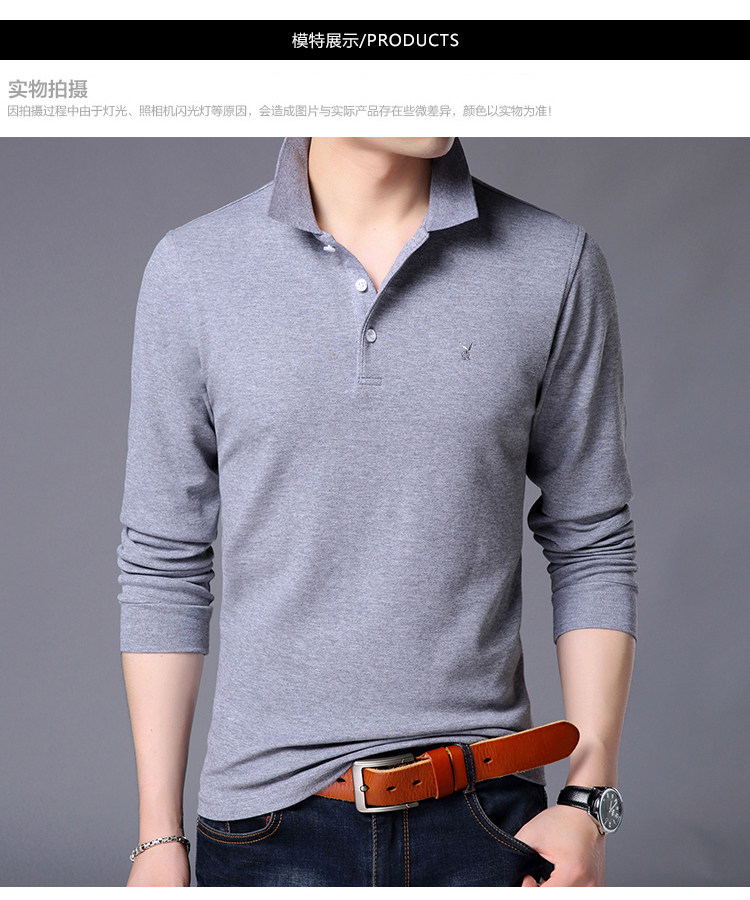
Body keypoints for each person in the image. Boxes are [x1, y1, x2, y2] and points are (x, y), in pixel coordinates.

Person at [117, 136, 637, 887]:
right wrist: (156, 837)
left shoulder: (555, 263)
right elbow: (164, 561)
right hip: (266, 830)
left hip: (488, 821)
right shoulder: (194, 270)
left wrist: (589, 799)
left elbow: (593, 541)